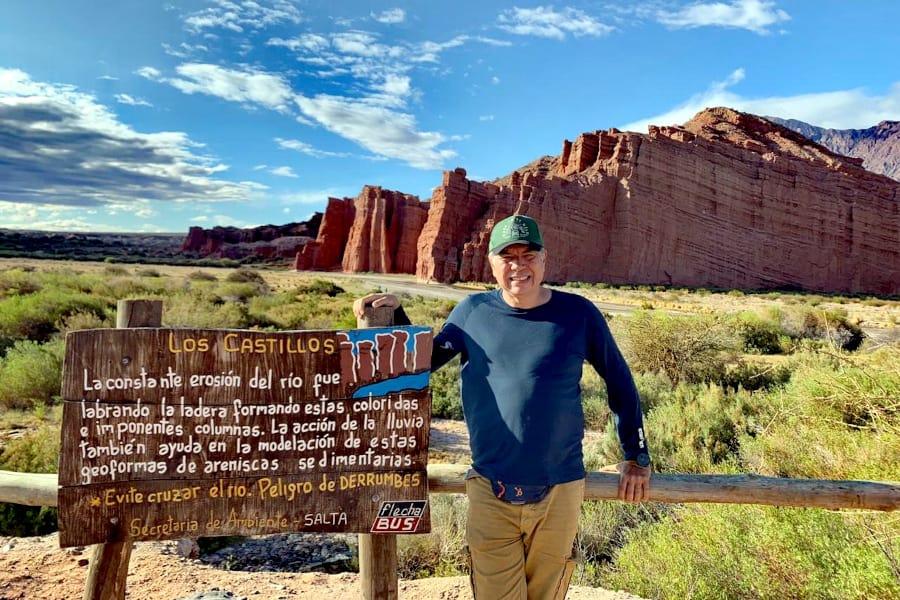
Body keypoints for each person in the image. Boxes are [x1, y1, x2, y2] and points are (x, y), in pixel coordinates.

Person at [353, 214, 650, 600]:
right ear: (491, 263)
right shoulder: (473, 312)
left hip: (560, 490)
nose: (518, 266)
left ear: (544, 259)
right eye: (507, 256)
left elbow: (620, 381)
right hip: (490, 489)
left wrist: (636, 455)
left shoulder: (579, 314)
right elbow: (421, 363)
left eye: (528, 255)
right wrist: (392, 318)